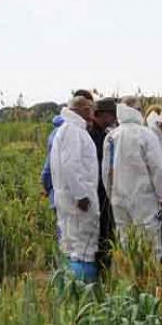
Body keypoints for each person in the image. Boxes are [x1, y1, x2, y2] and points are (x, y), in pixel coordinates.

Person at [102, 97, 162, 261]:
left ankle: (129, 278)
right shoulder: (146, 134)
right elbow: (158, 168)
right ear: (137, 111)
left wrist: (111, 194)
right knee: (149, 241)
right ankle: (149, 279)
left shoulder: (111, 136)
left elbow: (105, 171)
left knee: (125, 239)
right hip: (144, 198)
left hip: (118, 197)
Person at [50, 95, 100, 282]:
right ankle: (82, 290)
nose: (92, 112)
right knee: (82, 247)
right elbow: (71, 165)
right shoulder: (73, 131)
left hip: (69, 198)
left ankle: (69, 289)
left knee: (71, 244)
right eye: (89, 108)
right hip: (77, 201)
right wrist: (81, 195)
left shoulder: (69, 130)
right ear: (83, 110)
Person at [89, 97, 118, 271]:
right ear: (104, 115)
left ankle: (104, 266)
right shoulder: (94, 136)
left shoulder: (102, 134)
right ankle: (103, 267)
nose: (114, 119)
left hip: (102, 191)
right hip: (99, 192)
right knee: (103, 231)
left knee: (106, 230)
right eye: (112, 115)